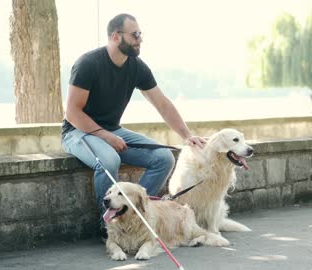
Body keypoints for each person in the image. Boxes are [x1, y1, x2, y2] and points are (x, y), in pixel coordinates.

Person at [61, 13, 206, 240]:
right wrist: (107, 137)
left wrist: (187, 135)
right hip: (78, 132)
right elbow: (72, 113)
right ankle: (110, 227)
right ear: (116, 37)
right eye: (135, 34)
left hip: (112, 129)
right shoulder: (88, 64)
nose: (140, 39)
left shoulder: (137, 67)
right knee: (109, 160)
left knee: (164, 157)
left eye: (141, 34)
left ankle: (136, 216)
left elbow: (162, 103)